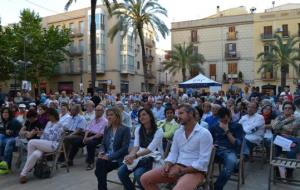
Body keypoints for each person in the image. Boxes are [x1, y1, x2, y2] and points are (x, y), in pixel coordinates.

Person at [141, 104, 213, 190]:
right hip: (176, 167)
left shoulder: (204, 133)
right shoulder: (178, 132)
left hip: (195, 172)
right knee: (145, 179)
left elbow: (202, 163)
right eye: (178, 114)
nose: (178, 116)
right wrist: (167, 165)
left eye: (181, 113)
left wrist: (181, 171)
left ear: (190, 114)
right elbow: (173, 153)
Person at [118, 108, 164, 190]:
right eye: (139, 116)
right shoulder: (138, 129)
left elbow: (150, 149)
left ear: (150, 116)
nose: (141, 117)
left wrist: (134, 156)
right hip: (139, 154)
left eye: (144, 114)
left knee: (138, 174)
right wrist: (130, 155)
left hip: (153, 157)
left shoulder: (158, 130)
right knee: (121, 172)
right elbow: (136, 146)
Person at [19, 108, 64, 183]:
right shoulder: (49, 123)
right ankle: (23, 174)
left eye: (48, 116)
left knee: (31, 142)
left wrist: (43, 133)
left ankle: (27, 169)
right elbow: (44, 136)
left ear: (53, 115)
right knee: (35, 154)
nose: (47, 117)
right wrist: (40, 133)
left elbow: (53, 138)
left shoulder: (59, 124)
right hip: (45, 143)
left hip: (53, 145)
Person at [94, 107, 131, 190]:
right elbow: (103, 143)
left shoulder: (125, 129)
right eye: (107, 115)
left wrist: (110, 157)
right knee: (100, 164)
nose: (109, 117)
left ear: (117, 116)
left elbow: (124, 149)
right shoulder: (107, 128)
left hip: (118, 159)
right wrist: (101, 151)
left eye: (111, 115)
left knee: (98, 171)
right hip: (106, 157)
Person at [208, 107, 244, 190]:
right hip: (215, 150)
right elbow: (208, 141)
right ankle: (204, 181)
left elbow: (236, 144)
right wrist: (211, 145)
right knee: (199, 160)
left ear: (229, 116)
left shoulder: (237, 126)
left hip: (229, 151)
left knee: (231, 163)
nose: (223, 121)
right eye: (221, 119)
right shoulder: (214, 127)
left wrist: (227, 130)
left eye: (225, 119)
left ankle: (217, 187)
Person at [272, 101, 300, 179]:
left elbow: (290, 129)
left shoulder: (297, 119)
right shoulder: (279, 117)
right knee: (275, 138)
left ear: (293, 110)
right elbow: (274, 128)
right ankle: (278, 169)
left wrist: (280, 127)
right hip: (285, 142)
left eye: (289, 108)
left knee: (290, 150)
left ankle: (289, 171)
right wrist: (286, 121)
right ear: (283, 109)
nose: (287, 109)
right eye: (285, 108)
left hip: (294, 141)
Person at [83, 104, 107, 170]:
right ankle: (69, 159)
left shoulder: (105, 121)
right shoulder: (93, 120)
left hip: (98, 137)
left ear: (102, 111)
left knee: (90, 143)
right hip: (89, 135)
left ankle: (91, 162)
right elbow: (87, 129)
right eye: (96, 110)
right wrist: (85, 137)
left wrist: (89, 138)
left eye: (98, 110)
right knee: (74, 140)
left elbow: (100, 134)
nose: (96, 111)